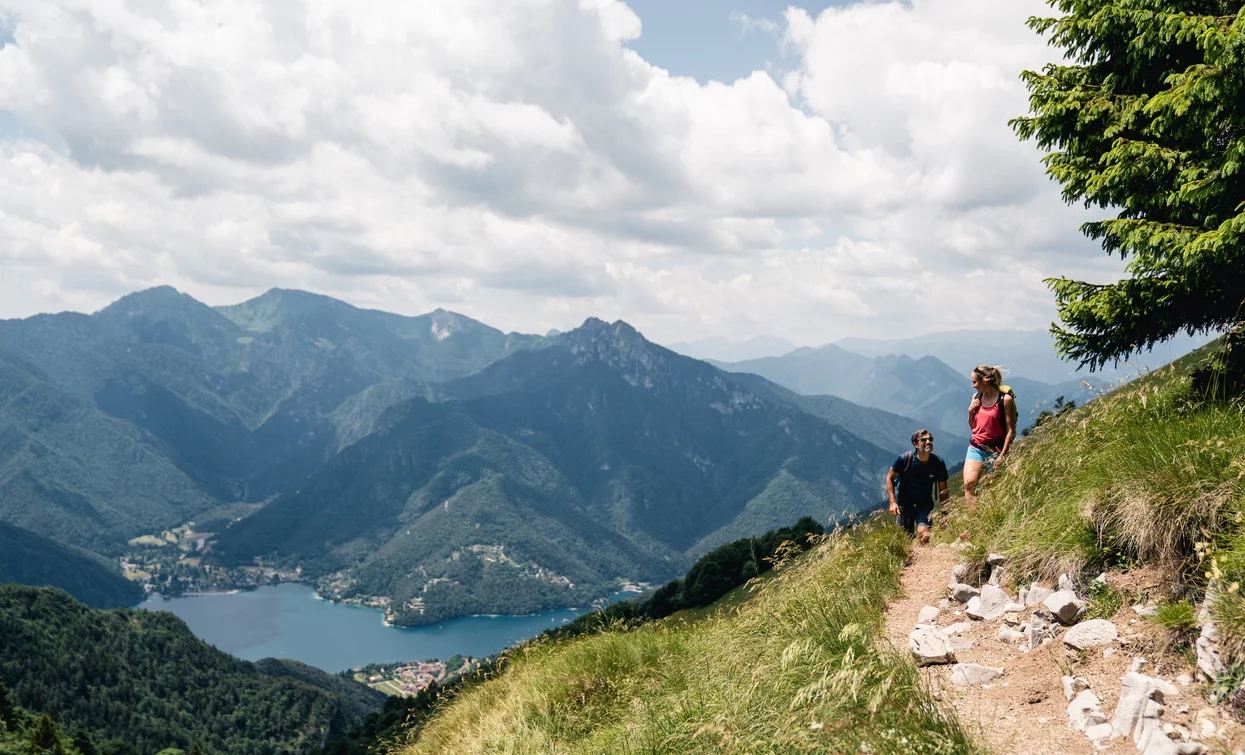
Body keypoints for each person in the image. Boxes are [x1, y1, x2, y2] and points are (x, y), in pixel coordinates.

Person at [964, 364, 1017, 510]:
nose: (973, 386)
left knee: (991, 489)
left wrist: (1002, 455)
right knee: (969, 484)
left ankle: (990, 520)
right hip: (976, 447)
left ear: (985, 381)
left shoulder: (1005, 400)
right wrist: (970, 411)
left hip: (996, 449)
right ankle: (974, 525)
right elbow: (974, 427)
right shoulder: (976, 398)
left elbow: (1010, 431)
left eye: (975, 382)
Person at [886, 429, 949, 545]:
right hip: (904, 507)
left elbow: (943, 491)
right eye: (924, 440)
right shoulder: (904, 459)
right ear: (915, 444)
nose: (928, 442)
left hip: (924, 506)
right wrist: (892, 502)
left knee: (924, 534)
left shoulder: (938, 463)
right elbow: (890, 478)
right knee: (904, 542)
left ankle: (924, 559)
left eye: (931, 439)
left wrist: (945, 514)